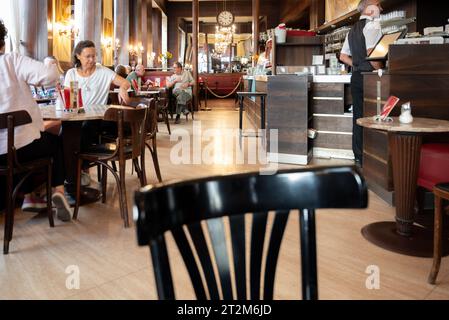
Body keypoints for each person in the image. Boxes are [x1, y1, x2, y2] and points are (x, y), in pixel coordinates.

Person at [0, 19, 72, 221]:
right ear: (3, 42)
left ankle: (30, 197)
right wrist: (50, 63)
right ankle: (58, 192)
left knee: (37, 140)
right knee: (54, 143)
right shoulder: (11, 60)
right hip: (21, 149)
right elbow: (50, 76)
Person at [64, 40, 130, 186]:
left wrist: (122, 88)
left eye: (94, 56)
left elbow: (126, 82)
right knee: (66, 131)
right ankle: (73, 173)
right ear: (78, 56)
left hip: (98, 119)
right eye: (88, 56)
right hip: (77, 117)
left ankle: (80, 171)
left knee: (85, 128)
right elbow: (71, 102)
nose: (92, 60)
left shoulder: (103, 71)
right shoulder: (72, 74)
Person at [339, 0, 383, 167]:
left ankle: (359, 156)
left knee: (359, 116)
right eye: (378, 5)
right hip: (370, 78)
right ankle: (373, 158)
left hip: (356, 77)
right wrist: (380, 69)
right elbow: (372, 54)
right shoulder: (372, 26)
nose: (380, 8)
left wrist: (357, 65)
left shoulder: (352, 29)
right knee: (374, 116)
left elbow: (343, 56)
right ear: (369, 9)